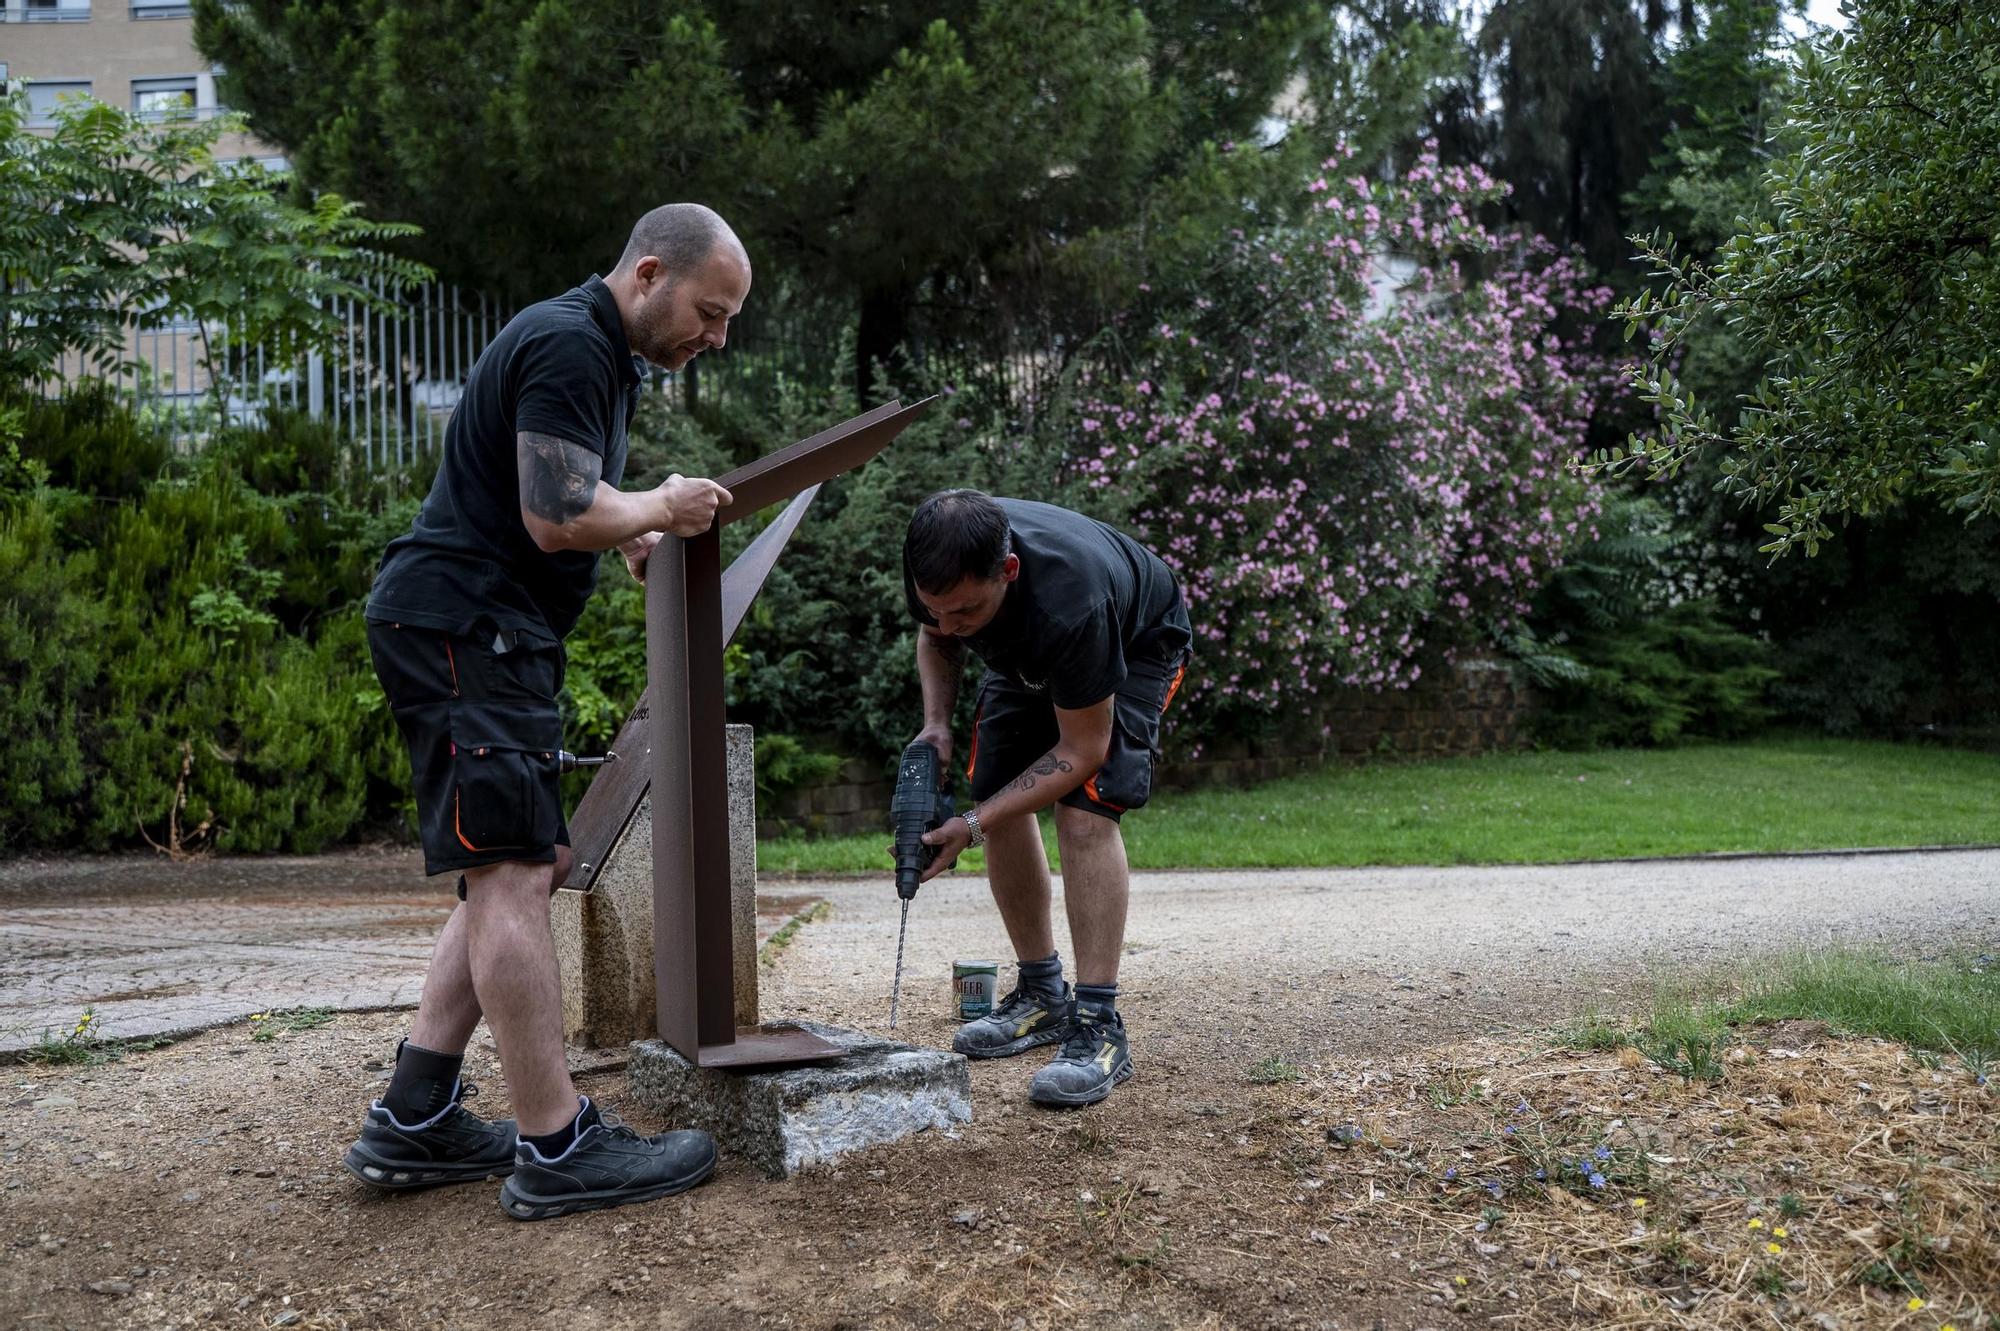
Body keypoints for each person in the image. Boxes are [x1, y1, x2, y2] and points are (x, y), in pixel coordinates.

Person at [342, 204, 747, 1220]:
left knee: (522, 864)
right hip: (467, 625)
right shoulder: (574, 342)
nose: (716, 337)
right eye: (708, 311)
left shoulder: (600, 356)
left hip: (482, 626)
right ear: (648, 272)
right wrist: (651, 507)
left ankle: (416, 1112)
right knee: (515, 870)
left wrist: (623, 530)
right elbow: (555, 508)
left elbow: (560, 496)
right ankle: (556, 1144)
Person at [903, 490, 1192, 1107]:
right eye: (937, 608)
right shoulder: (938, 573)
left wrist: (971, 826)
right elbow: (938, 637)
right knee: (995, 798)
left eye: (965, 611)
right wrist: (937, 724)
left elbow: (1082, 751)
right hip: (1027, 646)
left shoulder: (1074, 601)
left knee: (1085, 811)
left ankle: (1097, 1024)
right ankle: (1041, 995)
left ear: (1007, 570)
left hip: (1136, 640)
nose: (949, 623)